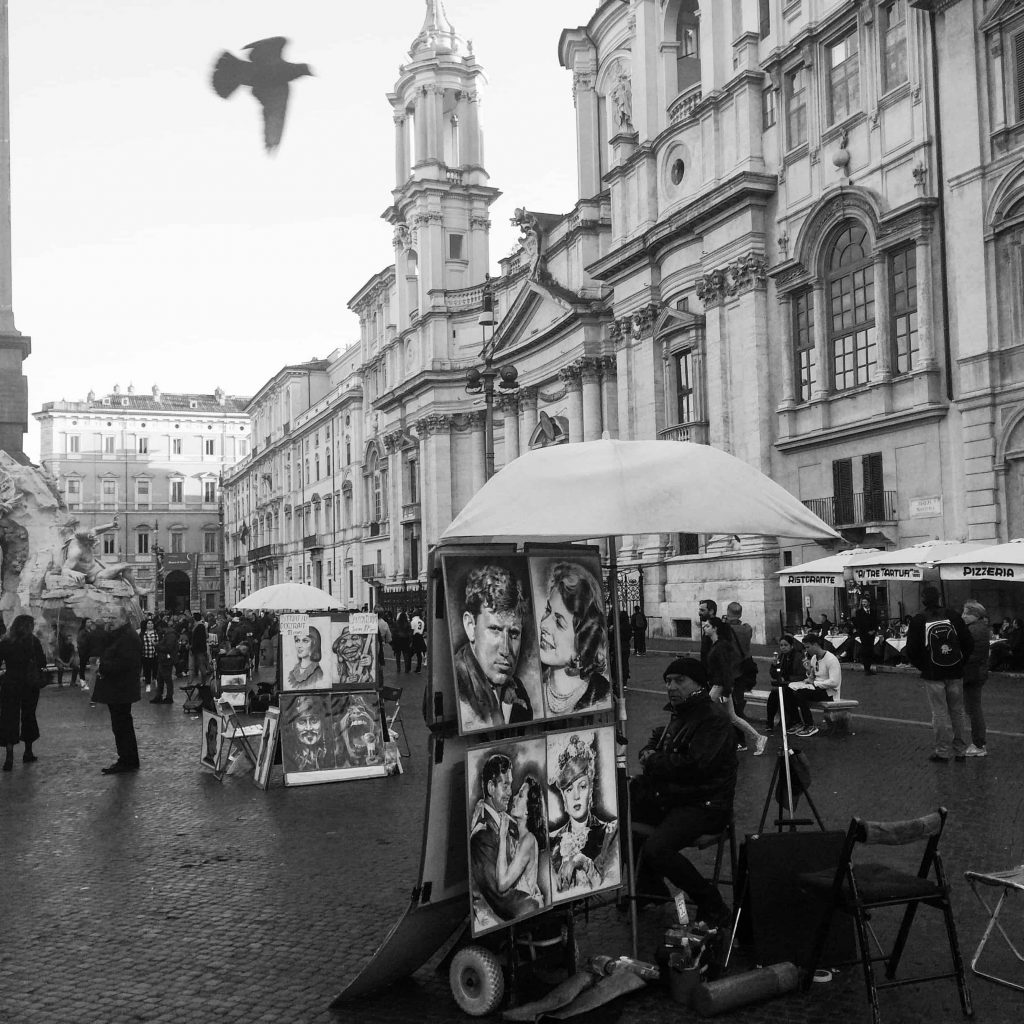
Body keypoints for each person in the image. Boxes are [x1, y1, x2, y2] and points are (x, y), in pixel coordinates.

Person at [629, 658, 736, 928]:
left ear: (699, 684)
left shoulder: (714, 720)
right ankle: (650, 889)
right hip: (675, 798)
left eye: (679, 680)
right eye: (668, 681)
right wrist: (649, 753)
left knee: (657, 848)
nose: (671, 686)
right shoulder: (680, 714)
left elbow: (696, 767)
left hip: (706, 804)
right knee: (620, 819)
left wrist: (652, 760)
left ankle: (711, 902)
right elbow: (659, 741)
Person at [454, 565, 534, 730]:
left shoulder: (518, 690)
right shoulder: (454, 684)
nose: (505, 650)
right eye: (495, 630)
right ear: (470, 626)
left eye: (513, 633)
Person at [470, 754, 543, 924]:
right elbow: (500, 897)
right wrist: (535, 904)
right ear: (490, 787)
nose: (511, 793)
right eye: (506, 785)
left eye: (512, 786)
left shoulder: (509, 824)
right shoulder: (482, 836)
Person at [905, 585, 973, 763]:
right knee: (957, 712)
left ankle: (942, 751)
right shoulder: (953, 616)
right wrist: (960, 661)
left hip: (933, 673)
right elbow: (968, 642)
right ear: (939, 598)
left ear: (923, 600)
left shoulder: (918, 619)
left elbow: (911, 650)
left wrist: (924, 666)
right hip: (955, 670)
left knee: (939, 713)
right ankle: (960, 750)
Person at [536, 562, 611, 716]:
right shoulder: (531, 686)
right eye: (547, 611)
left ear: (584, 638)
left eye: (558, 621)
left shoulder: (600, 697)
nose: (544, 624)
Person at [548, 734, 618, 894]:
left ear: (591, 790)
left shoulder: (609, 832)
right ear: (563, 796)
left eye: (583, 786)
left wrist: (583, 862)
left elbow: (606, 880)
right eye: (569, 789)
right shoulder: (552, 840)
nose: (576, 796)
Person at [703, 616, 767, 755]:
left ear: (715, 628)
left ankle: (711, 744)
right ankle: (758, 738)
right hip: (719, 685)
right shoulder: (716, 645)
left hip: (720, 686)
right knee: (732, 717)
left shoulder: (720, 646)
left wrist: (726, 691)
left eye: (707, 626)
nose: (704, 628)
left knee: (705, 712)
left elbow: (726, 670)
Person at [92, 604, 144, 774]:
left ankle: (127, 760)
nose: (110, 621)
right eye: (109, 618)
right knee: (121, 726)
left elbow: (124, 664)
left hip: (121, 689)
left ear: (123, 619)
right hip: (119, 689)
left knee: (122, 726)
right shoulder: (120, 634)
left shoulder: (128, 637)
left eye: (113, 618)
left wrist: (102, 666)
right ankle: (128, 759)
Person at [0, 614, 46, 770]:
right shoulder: (33, 642)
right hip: (29, 684)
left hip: (10, 683)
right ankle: (28, 751)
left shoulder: (6, 642)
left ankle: (9, 756)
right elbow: (42, 662)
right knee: (28, 716)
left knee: (9, 717)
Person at [495, 776, 547, 908]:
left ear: (527, 810)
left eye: (521, 795)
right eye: (517, 793)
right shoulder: (520, 837)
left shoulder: (528, 840)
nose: (514, 797)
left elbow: (502, 884)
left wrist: (502, 836)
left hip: (525, 912)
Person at [790, 633, 843, 736]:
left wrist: (814, 683)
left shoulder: (831, 660)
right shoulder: (814, 658)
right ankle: (797, 722)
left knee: (801, 694)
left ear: (815, 645)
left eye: (808, 647)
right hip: (817, 688)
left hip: (829, 693)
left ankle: (810, 725)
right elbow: (813, 677)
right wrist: (809, 671)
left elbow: (834, 682)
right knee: (790, 692)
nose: (806, 650)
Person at [961, 601, 990, 757]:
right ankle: (979, 742)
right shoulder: (981, 628)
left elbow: (969, 653)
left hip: (972, 674)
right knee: (973, 708)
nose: (963, 616)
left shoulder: (973, 630)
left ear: (975, 615)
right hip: (977, 673)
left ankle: (979, 744)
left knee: (973, 709)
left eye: (966, 613)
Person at [766, 635, 805, 734]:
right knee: (774, 694)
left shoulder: (798, 657)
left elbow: (802, 675)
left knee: (785, 693)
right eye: (781, 645)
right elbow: (774, 674)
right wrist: (774, 666)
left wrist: (787, 678)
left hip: (795, 685)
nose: (783, 647)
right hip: (784, 684)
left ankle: (795, 721)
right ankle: (769, 721)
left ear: (791, 646)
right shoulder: (781, 656)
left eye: (785, 645)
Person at [333, 692, 383, 767]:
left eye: (361, 709)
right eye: (349, 710)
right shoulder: (332, 766)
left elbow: (392, 767)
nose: (357, 712)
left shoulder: (384, 760)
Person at [284, 693, 330, 773]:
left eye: (314, 720)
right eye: (302, 722)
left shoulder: (332, 753)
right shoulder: (289, 757)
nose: (309, 728)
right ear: (293, 726)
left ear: (323, 723)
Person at [852, 596, 879, 675]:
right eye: (863, 602)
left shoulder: (873, 611)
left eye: (865, 602)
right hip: (864, 634)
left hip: (872, 634)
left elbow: (876, 622)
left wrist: (874, 630)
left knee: (870, 650)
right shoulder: (859, 612)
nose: (864, 603)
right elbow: (859, 624)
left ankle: (869, 667)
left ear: (869, 603)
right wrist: (867, 631)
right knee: (865, 650)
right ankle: (866, 668)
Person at [153, 621, 178, 704]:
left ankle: (169, 697)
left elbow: (168, 648)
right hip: (163, 659)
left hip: (167, 660)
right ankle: (159, 696)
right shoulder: (167, 634)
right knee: (160, 678)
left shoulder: (170, 635)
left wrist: (157, 645)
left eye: (158, 629)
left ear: (162, 627)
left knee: (167, 678)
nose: (158, 631)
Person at [190, 612, 210, 686]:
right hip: (200, 649)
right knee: (202, 664)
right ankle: (203, 681)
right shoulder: (200, 626)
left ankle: (204, 682)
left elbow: (198, 639)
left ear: (194, 618)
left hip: (199, 650)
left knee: (201, 665)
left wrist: (193, 648)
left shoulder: (199, 626)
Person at [141, 617, 159, 700]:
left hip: (155, 654)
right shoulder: (143, 633)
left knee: (155, 669)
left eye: (151, 623)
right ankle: (148, 684)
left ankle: (155, 680)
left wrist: (156, 644)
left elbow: (160, 643)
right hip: (146, 655)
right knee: (147, 670)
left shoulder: (157, 633)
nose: (150, 625)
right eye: (148, 623)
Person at [698, 598, 717, 668]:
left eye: (702, 610)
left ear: (711, 611)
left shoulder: (714, 628)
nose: (699, 613)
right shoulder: (709, 626)